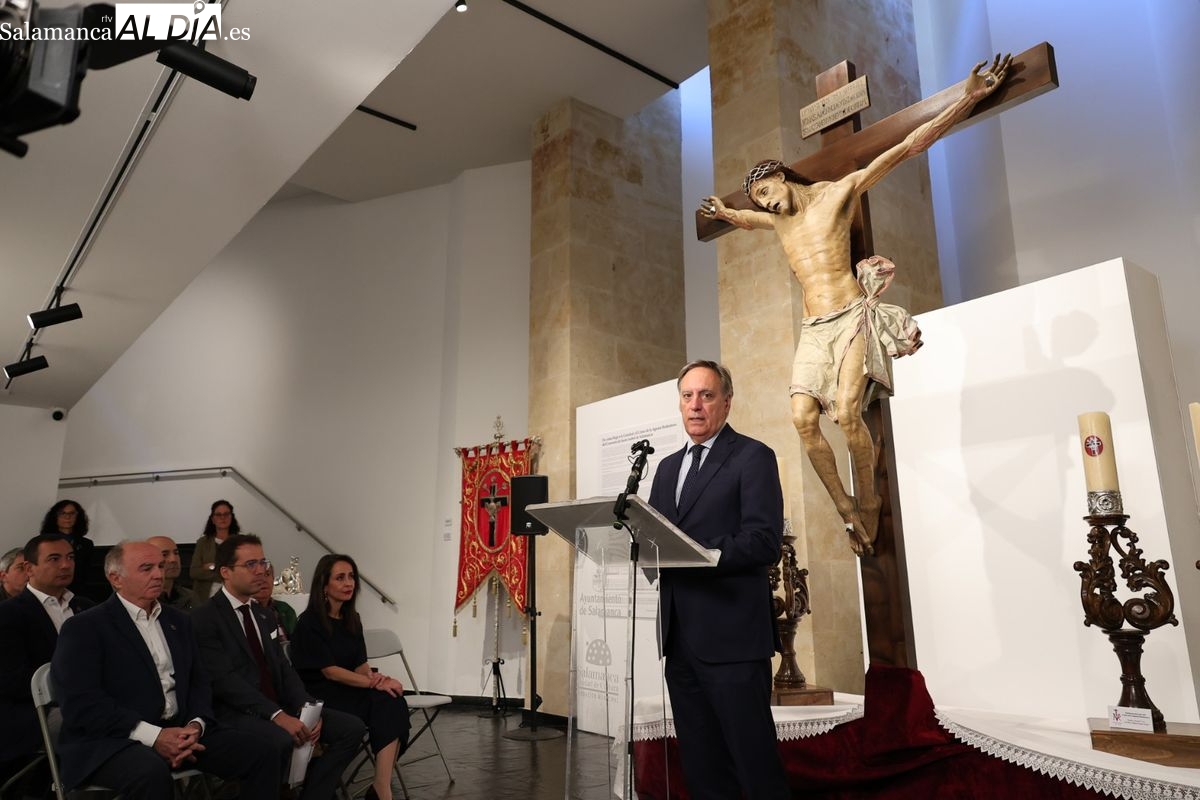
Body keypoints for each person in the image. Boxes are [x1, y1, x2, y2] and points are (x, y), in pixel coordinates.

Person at [700, 54, 1012, 556]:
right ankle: (844, 505)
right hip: (814, 328)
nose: (766, 203)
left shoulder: (837, 193)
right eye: (759, 199)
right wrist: (726, 210)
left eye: (767, 191)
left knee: (847, 413)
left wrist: (967, 97)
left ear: (781, 176)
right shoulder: (775, 221)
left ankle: (868, 500)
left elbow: (908, 147)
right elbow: (741, 219)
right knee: (802, 418)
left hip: (850, 316)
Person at [648, 360, 787, 800]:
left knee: (753, 763)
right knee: (701, 764)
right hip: (679, 640)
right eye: (687, 396)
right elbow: (655, 537)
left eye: (706, 396)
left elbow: (764, 541)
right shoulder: (666, 468)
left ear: (726, 403)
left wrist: (700, 553)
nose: (695, 405)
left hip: (733, 641)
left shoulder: (752, 456)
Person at [51, 540, 278, 800]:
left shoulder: (178, 621)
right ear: (116, 579)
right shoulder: (85, 627)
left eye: (160, 566)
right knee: (150, 772)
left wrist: (195, 725)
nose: (159, 574)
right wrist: (156, 736)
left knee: (263, 751)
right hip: (114, 738)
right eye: (146, 568)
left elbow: (198, 682)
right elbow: (82, 704)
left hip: (180, 731)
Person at [191, 535, 365, 800]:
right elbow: (225, 682)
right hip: (237, 711)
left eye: (263, 562)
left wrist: (308, 709)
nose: (261, 570)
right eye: (250, 564)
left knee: (351, 729)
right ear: (226, 572)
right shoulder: (206, 618)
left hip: (278, 706)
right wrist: (277, 715)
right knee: (279, 740)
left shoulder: (263, 614)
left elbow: (284, 669)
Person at [291, 554, 410, 800]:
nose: (349, 583)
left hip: (347, 689)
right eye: (340, 578)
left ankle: (381, 787)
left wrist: (379, 680)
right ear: (324, 585)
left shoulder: (351, 619)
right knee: (384, 701)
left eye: (351, 577)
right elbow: (330, 671)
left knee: (393, 699)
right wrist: (372, 683)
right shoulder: (309, 623)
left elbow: (360, 665)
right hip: (320, 694)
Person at [0, 535, 94, 775]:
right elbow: (12, 680)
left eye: (70, 558)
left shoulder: (86, 607)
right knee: (99, 721)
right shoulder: (8, 614)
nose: (66, 565)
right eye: (54, 559)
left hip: (88, 701)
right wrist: (77, 689)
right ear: (29, 568)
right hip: (32, 712)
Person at [40, 499, 99, 600]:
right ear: (55, 516)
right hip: (50, 590)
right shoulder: (44, 542)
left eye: (72, 513)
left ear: (78, 516)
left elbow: (88, 574)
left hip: (79, 592)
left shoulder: (86, 544)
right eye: (63, 513)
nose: (67, 517)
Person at [190, 499, 241, 600]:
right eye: (218, 514)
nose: (222, 518)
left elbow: (241, 570)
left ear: (231, 517)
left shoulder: (240, 542)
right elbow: (194, 572)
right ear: (213, 519)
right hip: (206, 597)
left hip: (234, 594)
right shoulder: (203, 542)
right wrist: (224, 573)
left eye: (226, 514)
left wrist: (211, 567)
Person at [147, 535, 197, 611]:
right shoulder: (141, 600)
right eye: (164, 554)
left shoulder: (191, 596)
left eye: (176, 553)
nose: (173, 560)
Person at [256, 562, 297, 639]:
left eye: (267, 574)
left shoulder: (285, 609)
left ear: (273, 579)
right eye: (258, 576)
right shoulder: (245, 612)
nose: (264, 580)